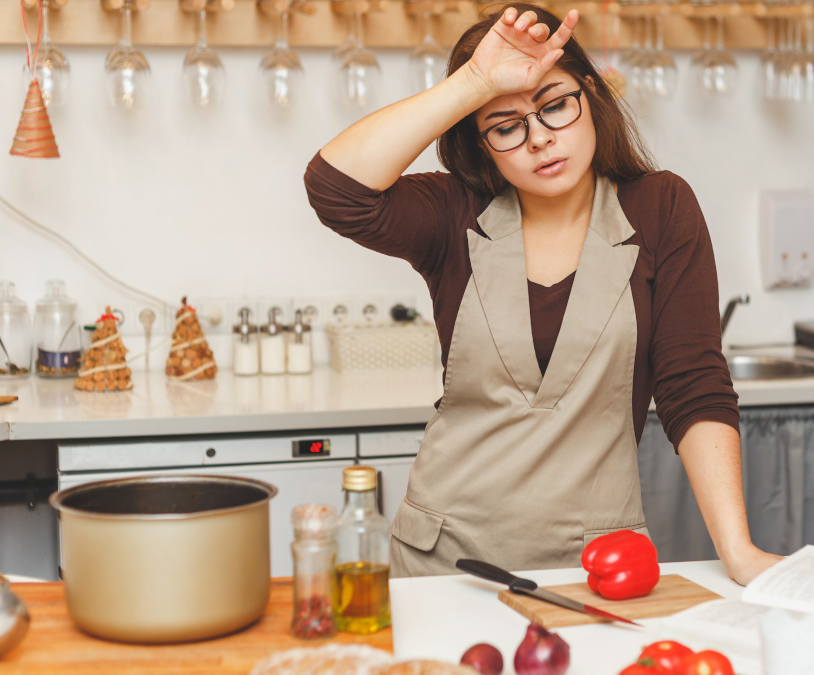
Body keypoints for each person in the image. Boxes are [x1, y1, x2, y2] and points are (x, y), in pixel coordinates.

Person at [304, 2, 781, 584]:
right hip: (442, 559)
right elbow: (335, 189)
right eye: (506, 126)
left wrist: (738, 551)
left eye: (555, 106)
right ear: (482, 144)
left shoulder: (660, 207)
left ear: (592, 96)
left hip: (597, 564)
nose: (540, 139)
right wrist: (476, 82)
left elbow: (693, 384)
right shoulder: (456, 213)